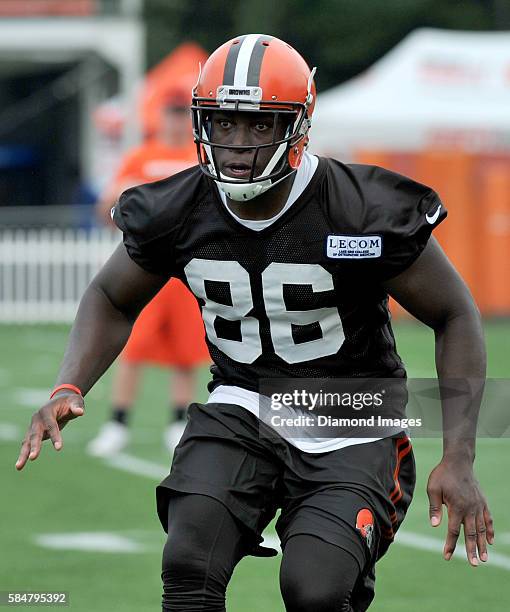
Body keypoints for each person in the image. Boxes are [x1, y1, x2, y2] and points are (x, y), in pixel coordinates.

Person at [17, 35, 494, 612]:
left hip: (352, 413)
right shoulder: (178, 207)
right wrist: (70, 384)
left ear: (298, 127)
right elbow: (110, 296)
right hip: (243, 404)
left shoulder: (362, 207)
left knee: (314, 590)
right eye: (222, 123)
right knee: (189, 561)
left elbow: (455, 313)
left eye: (260, 125)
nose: (238, 144)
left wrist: (460, 456)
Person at [89, 90, 210, 456]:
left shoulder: (199, 157)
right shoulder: (142, 156)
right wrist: (122, 196)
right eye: (170, 114)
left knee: (186, 353)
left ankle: (177, 422)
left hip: (188, 273)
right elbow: (107, 206)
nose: (175, 121)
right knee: (133, 348)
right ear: (161, 117)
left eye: (180, 114)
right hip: (148, 271)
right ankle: (117, 423)